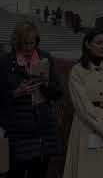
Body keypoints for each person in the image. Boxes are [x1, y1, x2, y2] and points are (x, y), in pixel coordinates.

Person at [1, 22, 62, 178]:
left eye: (32, 43)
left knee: (39, 172)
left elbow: (57, 93)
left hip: (43, 129)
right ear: (17, 42)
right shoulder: (5, 63)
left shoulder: (45, 59)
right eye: (24, 44)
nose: (28, 48)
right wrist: (16, 92)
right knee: (15, 173)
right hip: (18, 131)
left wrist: (46, 84)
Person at [63, 29, 103, 178]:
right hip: (86, 126)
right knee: (87, 168)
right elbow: (81, 103)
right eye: (98, 43)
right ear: (88, 44)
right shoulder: (77, 71)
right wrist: (100, 126)